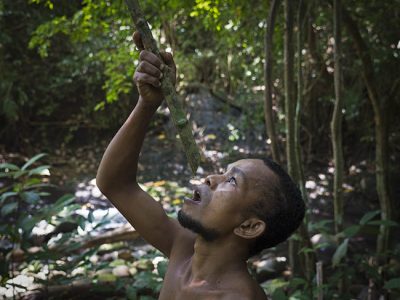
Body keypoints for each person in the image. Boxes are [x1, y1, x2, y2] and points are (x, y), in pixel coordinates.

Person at [97, 32, 305, 300]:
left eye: (231, 181)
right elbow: (115, 185)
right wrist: (148, 104)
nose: (211, 179)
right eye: (224, 172)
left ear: (250, 226)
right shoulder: (183, 248)